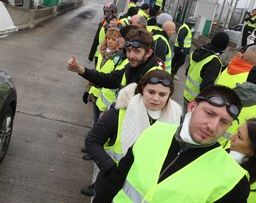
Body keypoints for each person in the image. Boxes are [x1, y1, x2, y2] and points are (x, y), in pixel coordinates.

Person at [105, 85, 249, 202]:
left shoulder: (233, 180)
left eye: (223, 122)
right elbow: (116, 180)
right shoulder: (154, 131)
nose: (212, 126)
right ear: (192, 107)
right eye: (209, 113)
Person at [84, 70, 181, 200]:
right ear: (142, 89)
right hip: (111, 185)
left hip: (143, 192)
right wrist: (110, 168)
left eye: (162, 94)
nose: (156, 98)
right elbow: (92, 141)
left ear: (170, 95)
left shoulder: (176, 121)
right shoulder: (119, 114)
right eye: (151, 92)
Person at [68, 27, 163, 94]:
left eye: (137, 51)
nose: (131, 56)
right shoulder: (132, 67)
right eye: (129, 51)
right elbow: (108, 80)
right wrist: (79, 69)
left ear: (149, 53)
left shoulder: (155, 76)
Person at [183, 32, 230, 112]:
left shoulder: (198, 52)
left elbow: (189, 71)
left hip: (187, 95)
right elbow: (206, 86)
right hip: (198, 101)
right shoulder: (214, 61)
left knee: (185, 121)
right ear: (224, 47)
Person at [229, 118, 256, 202]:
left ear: (253, 152)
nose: (232, 137)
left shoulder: (242, 187)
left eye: (239, 137)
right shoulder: (223, 153)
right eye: (237, 131)